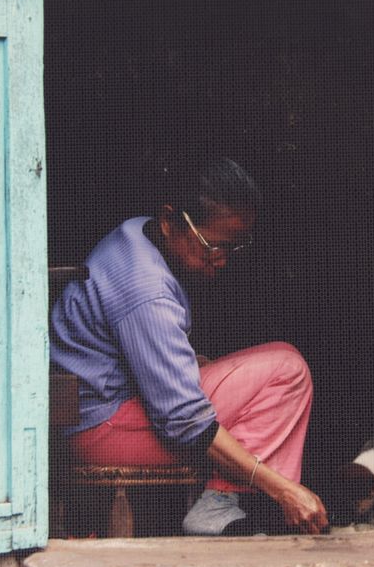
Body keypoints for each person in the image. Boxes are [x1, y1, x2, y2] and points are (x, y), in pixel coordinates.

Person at [50, 156, 328, 536]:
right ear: (169, 222)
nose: (222, 260)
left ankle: (237, 502)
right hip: (104, 431)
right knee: (287, 371)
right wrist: (284, 491)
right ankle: (222, 506)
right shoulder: (146, 291)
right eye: (213, 246)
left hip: (101, 413)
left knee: (272, 362)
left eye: (234, 247)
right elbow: (185, 423)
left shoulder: (135, 234)